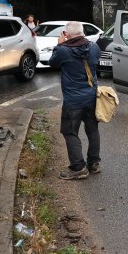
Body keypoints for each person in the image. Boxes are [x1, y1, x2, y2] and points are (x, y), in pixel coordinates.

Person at [48, 21, 101, 180]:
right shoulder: (94, 47)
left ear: (66, 34)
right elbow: (95, 61)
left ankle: (78, 167)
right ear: (82, 32)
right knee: (92, 130)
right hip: (91, 98)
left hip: (73, 102)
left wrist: (58, 45)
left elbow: (52, 63)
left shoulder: (63, 51)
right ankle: (94, 164)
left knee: (70, 132)